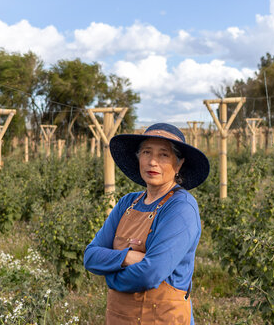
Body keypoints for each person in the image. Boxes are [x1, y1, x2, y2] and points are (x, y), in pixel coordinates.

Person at [84, 123, 210, 325]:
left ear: (178, 164)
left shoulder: (180, 207)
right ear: (138, 158)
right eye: (146, 152)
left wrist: (111, 277)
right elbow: (90, 256)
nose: (152, 162)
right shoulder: (128, 202)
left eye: (164, 155)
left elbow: (150, 274)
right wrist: (127, 257)